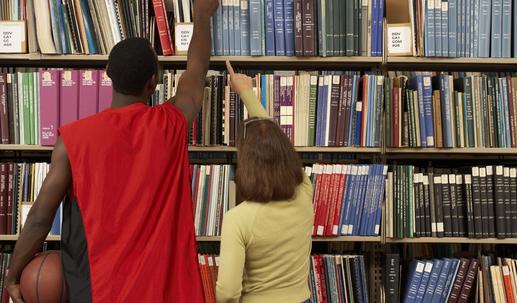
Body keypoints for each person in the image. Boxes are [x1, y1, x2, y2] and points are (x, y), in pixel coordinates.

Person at [5, 1, 218, 302]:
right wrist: (203, 16)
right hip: (168, 293)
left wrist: (12, 275)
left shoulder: (73, 140)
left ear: (107, 74)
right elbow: (196, 72)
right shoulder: (171, 123)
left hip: (100, 293)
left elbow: (41, 215)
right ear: (154, 82)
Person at [215, 61, 314, 303]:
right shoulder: (304, 192)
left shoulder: (237, 220)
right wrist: (247, 93)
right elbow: (276, 140)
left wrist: (243, 92)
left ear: (246, 164)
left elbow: (227, 293)